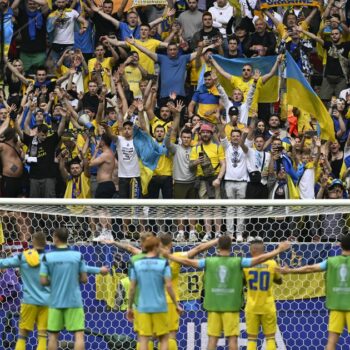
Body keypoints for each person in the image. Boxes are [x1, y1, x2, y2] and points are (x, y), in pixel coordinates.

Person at [165, 236, 291, 350]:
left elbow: (189, 262)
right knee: (233, 339)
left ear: (218, 247)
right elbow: (257, 260)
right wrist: (277, 250)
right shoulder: (238, 262)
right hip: (232, 307)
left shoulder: (208, 261)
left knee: (212, 340)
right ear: (231, 248)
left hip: (214, 306)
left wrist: (170, 256)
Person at [40, 228, 109, 350]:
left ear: (55, 237)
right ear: (67, 238)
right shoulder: (77, 256)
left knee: (53, 337)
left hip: (55, 302)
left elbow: (43, 281)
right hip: (74, 302)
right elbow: (84, 279)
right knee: (79, 336)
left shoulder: (47, 257)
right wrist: (98, 270)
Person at [278, 234, 350, 350]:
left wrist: (290, 270)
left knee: (331, 341)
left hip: (336, 307)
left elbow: (309, 268)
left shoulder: (331, 262)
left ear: (340, 245)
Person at [127, 236, 183, 350]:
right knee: (164, 338)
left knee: (144, 338)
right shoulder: (162, 263)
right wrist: (176, 305)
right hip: (160, 306)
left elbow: (132, 288)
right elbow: (168, 285)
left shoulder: (137, 263)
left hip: (142, 306)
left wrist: (129, 307)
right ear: (157, 247)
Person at [0, 231, 49, 350]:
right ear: (46, 243)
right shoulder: (49, 258)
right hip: (45, 300)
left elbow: (4, 263)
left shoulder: (25, 256)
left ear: (33, 242)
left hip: (28, 300)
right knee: (42, 334)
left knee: (22, 336)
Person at [244, 239, 283, 350]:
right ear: (264, 250)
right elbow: (279, 281)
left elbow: (242, 282)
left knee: (251, 339)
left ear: (252, 250)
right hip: (268, 307)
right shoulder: (272, 263)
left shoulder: (246, 265)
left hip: (252, 307)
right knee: (270, 338)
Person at [89, 133, 116, 198]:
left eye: (100, 140)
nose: (99, 141)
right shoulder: (110, 152)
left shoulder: (105, 155)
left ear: (103, 142)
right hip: (105, 184)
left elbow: (90, 163)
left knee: (101, 208)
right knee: (102, 207)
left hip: (105, 185)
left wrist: (95, 151)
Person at [0, 127, 24, 198]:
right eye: (16, 134)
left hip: (19, 179)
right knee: (8, 202)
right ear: (11, 135)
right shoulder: (2, 146)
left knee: (19, 202)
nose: (17, 136)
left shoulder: (17, 145)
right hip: (8, 179)